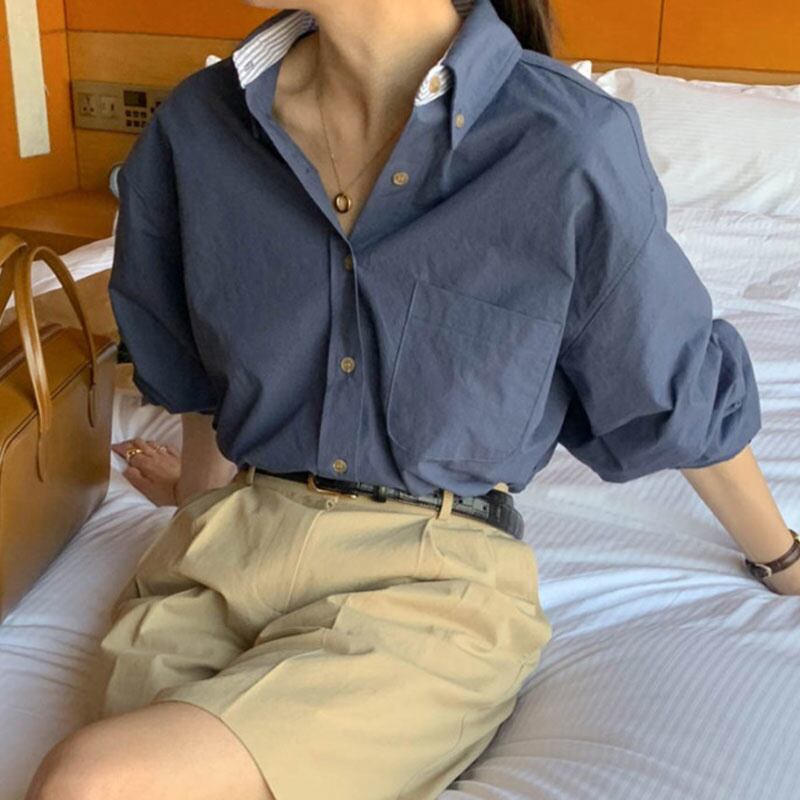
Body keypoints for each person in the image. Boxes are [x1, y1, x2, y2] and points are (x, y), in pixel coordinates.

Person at [25, 1, 800, 799]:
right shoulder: (199, 128)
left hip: (432, 582)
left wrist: (783, 559)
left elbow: (673, 389)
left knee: (95, 780)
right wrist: (196, 503)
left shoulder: (563, 140)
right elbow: (195, 374)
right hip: (225, 555)